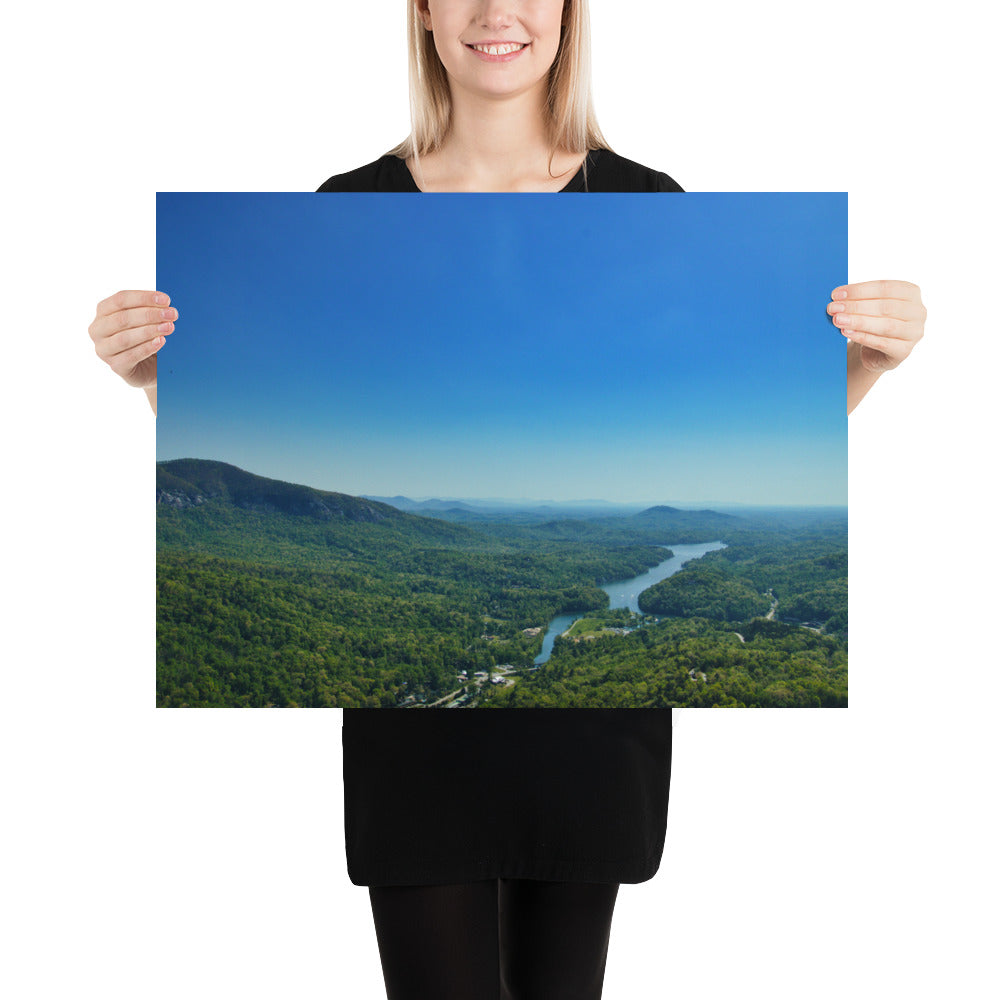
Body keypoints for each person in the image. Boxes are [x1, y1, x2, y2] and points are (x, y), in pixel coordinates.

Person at [87, 2, 925, 997]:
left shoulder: (649, 202)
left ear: (569, 16)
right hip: (417, 756)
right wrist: (154, 379)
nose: (497, 11)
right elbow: (227, 433)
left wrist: (864, 368)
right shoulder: (346, 202)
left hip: (591, 748)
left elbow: (750, 422)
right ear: (425, 14)